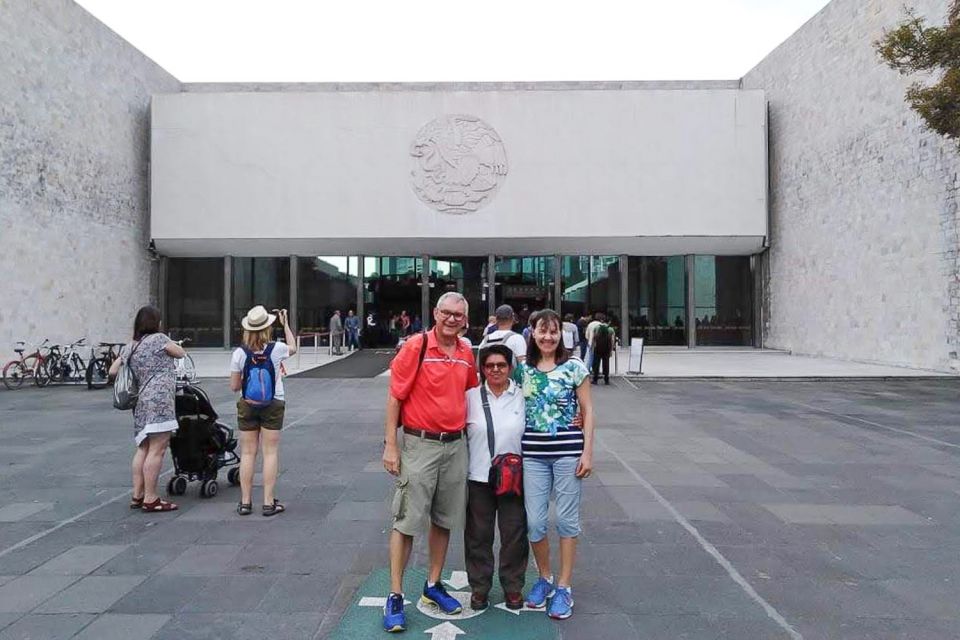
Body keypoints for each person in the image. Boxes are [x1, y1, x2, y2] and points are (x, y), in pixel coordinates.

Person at [381, 292, 479, 633]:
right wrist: (391, 445)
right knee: (407, 520)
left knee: (444, 519)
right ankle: (394, 594)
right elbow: (395, 397)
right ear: (435, 313)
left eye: (459, 315)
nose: (453, 319)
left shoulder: (468, 351)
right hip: (419, 444)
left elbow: (470, 396)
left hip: (455, 446)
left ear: (466, 319)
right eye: (447, 313)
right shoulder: (416, 346)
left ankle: (433, 584)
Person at [514, 309, 594, 620]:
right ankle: (545, 578)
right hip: (532, 455)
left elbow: (588, 410)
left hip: (567, 453)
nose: (548, 337)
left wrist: (588, 452)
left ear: (561, 334)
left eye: (554, 331)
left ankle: (564, 586)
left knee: (566, 520)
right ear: (531, 332)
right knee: (534, 522)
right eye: (542, 331)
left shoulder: (574, 367)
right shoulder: (522, 370)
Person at [464, 345, 527, 611]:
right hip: (479, 476)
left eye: (501, 365)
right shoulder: (469, 397)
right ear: (482, 369)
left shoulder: (524, 396)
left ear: (510, 367)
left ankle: (513, 587)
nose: (496, 370)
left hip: (513, 478)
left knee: (514, 534)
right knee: (478, 535)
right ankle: (480, 588)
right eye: (489, 366)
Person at [109, 305, 185, 513]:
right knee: (157, 450)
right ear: (155, 322)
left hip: (140, 401)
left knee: (143, 447)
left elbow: (113, 370)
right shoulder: (159, 340)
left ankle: (137, 494)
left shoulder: (131, 346)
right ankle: (151, 498)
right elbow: (180, 353)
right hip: (159, 400)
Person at [229, 305, 297, 517]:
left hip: (247, 404)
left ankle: (245, 502)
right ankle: (268, 502)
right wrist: (285, 323)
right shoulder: (276, 349)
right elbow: (293, 347)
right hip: (273, 402)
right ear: (267, 327)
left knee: (248, 453)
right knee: (270, 453)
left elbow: (234, 386)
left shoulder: (240, 353)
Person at [591, 315, 615, 385]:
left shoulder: (597, 327)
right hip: (606, 350)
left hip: (597, 349)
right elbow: (612, 341)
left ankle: (595, 379)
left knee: (596, 364)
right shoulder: (611, 329)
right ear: (609, 322)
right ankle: (606, 380)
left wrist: (593, 347)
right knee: (606, 364)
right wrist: (611, 350)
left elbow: (594, 338)